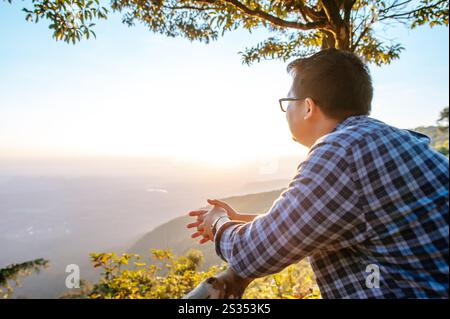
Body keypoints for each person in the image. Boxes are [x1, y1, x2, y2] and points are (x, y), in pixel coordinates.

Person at [187, 48, 449, 298]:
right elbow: (339, 220)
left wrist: (218, 222)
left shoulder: (341, 151)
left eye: (287, 102)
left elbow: (252, 255)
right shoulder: (392, 139)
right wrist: (247, 220)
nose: (286, 111)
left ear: (308, 107)